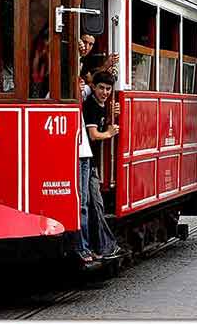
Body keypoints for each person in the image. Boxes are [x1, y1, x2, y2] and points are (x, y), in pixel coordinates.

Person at [83, 70, 123, 259]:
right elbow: (94, 135)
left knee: (94, 204)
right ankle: (103, 246)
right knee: (93, 204)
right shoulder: (90, 106)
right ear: (94, 87)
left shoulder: (101, 106)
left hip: (91, 163)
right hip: (86, 162)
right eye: (101, 88)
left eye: (108, 89)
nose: (105, 92)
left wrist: (110, 116)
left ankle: (102, 245)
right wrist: (109, 132)